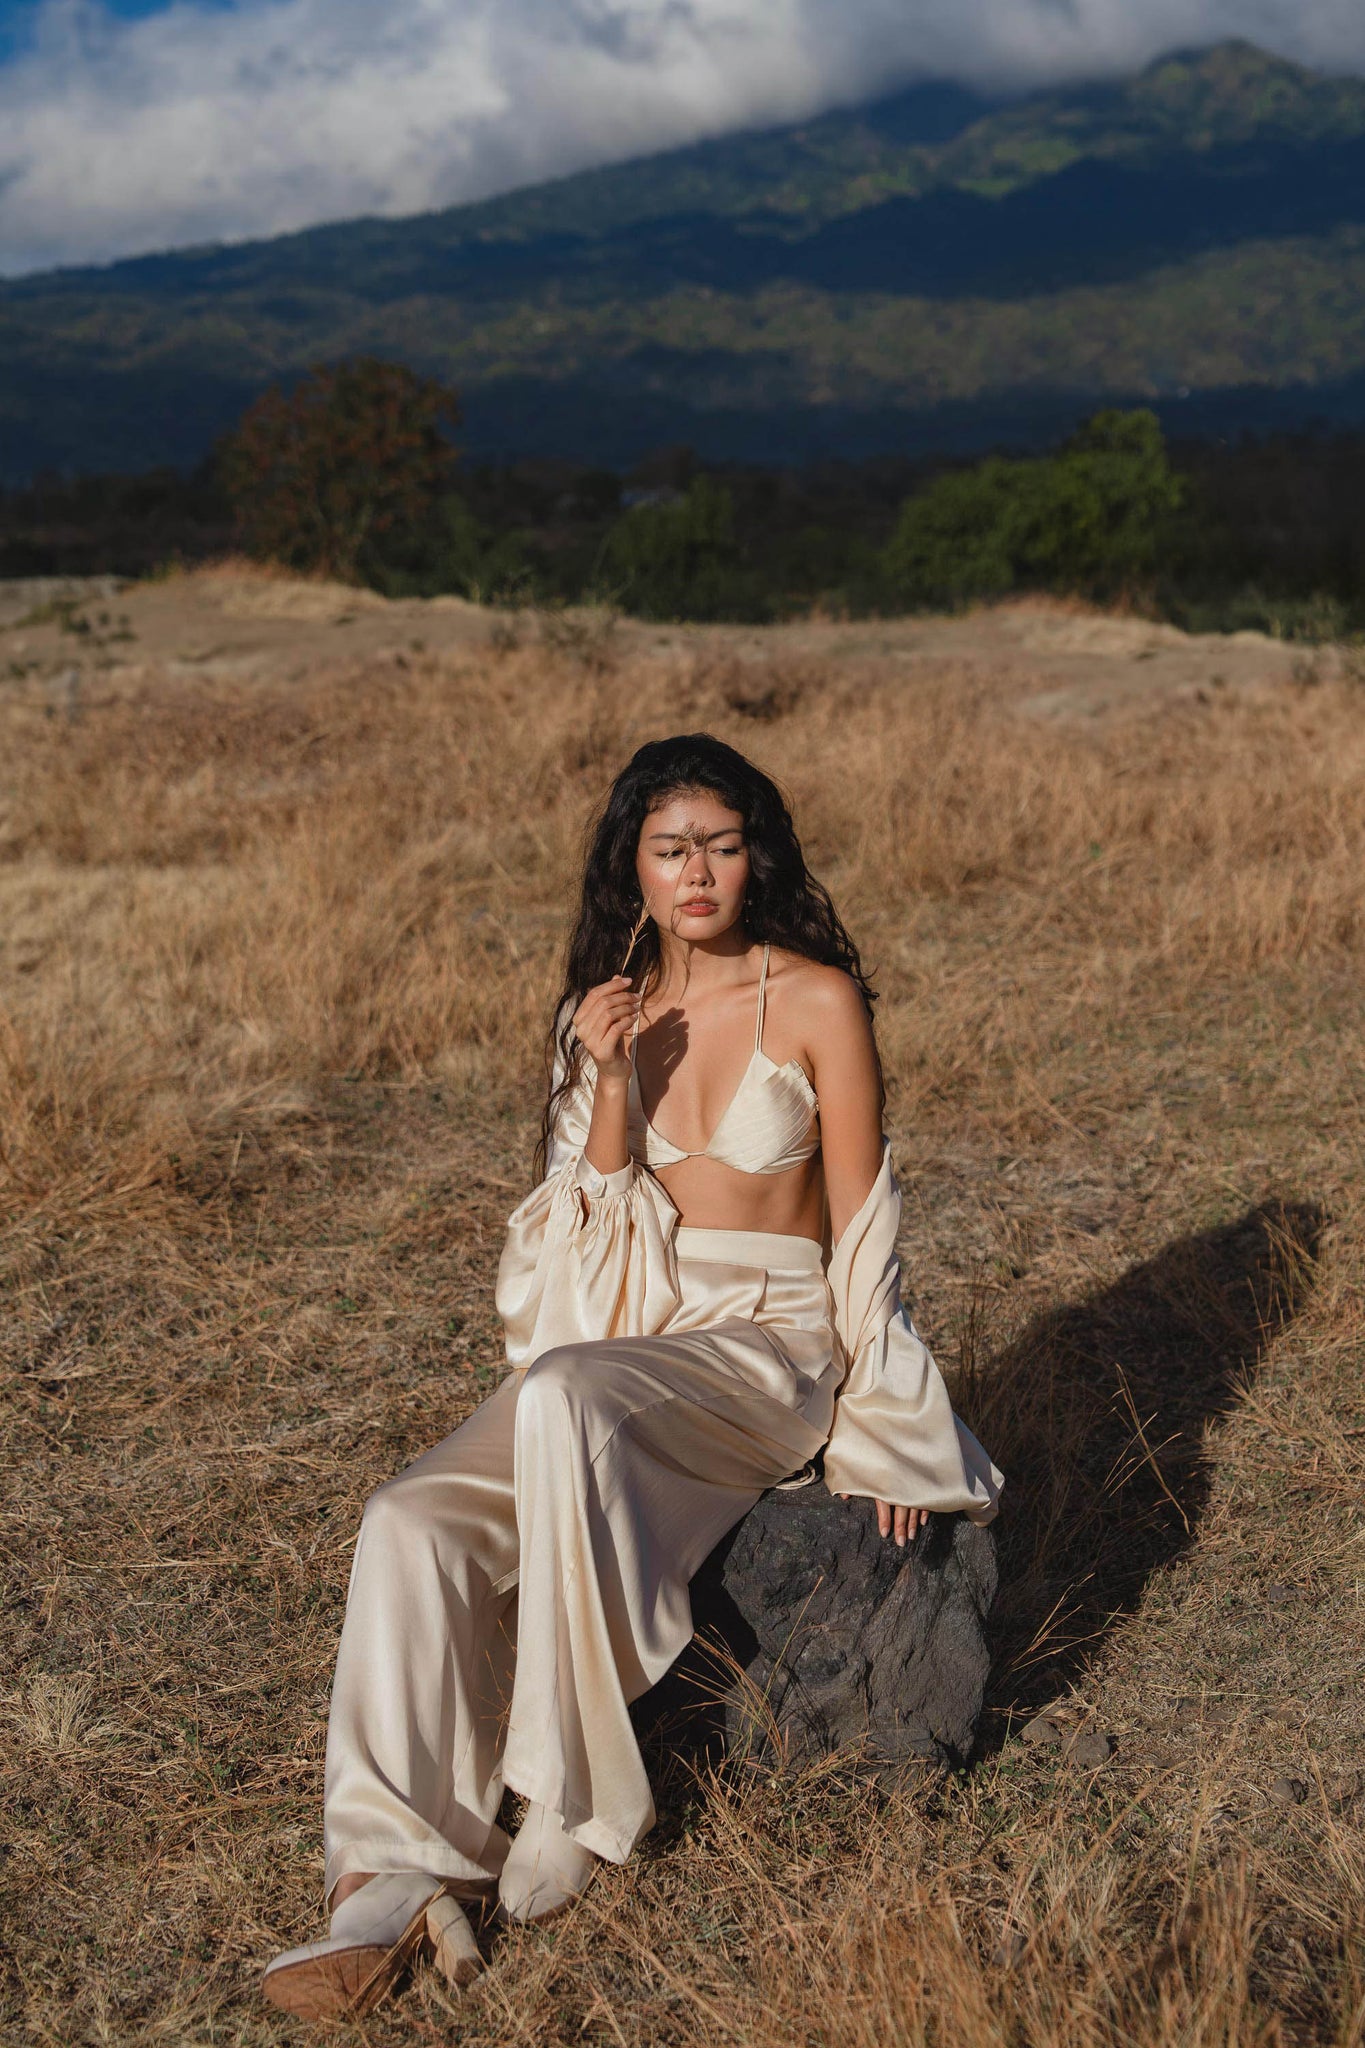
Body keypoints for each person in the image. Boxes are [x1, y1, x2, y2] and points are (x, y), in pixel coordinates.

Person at [262, 733, 1002, 2019]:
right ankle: (391, 1869)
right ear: (635, 869)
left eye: (721, 842)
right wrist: (609, 1079)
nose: (699, 869)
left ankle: (575, 1789)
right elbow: (571, 1267)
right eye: (671, 849)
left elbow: (866, 1226)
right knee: (409, 1520)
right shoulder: (599, 1016)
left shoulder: (817, 997)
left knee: (564, 1399)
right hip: (620, 1339)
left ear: (753, 852)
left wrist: (886, 1428)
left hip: (763, 1346)